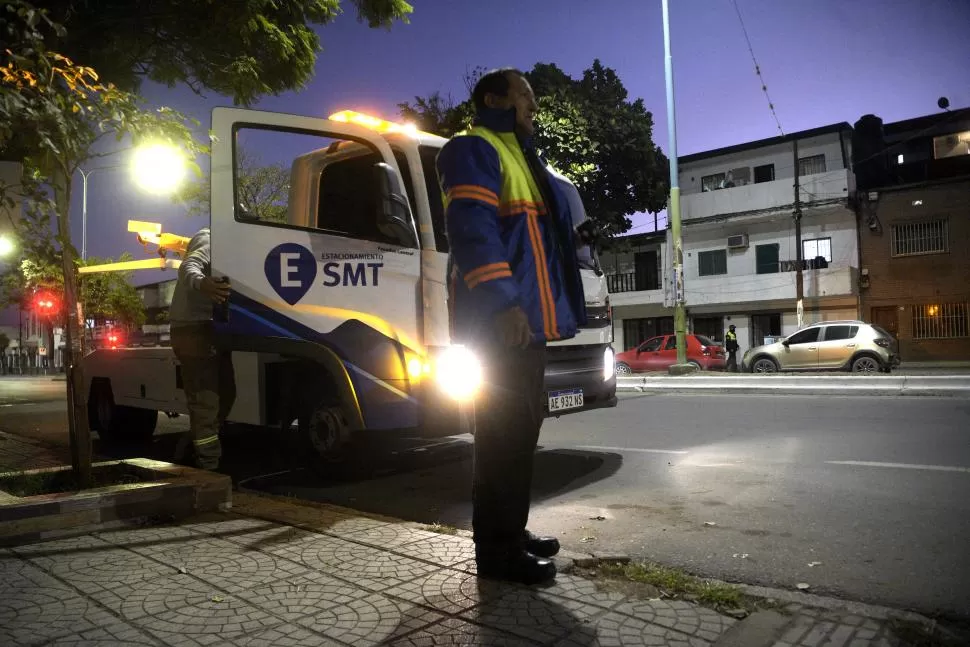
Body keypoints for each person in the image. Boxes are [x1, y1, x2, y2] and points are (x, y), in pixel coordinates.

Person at [436, 68, 591, 585]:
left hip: (528, 328)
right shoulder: (471, 149)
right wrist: (505, 304)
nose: (533, 107)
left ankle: (511, 532)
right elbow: (472, 233)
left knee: (520, 433)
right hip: (501, 325)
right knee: (503, 436)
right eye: (525, 96)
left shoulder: (524, 158)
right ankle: (496, 552)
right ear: (493, 98)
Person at [169, 228, 235, 470]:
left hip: (210, 330)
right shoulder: (211, 238)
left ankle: (191, 448)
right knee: (206, 402)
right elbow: (188, 267)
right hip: (193, 330)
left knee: (226, 395)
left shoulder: (230, 248)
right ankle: (208, 468)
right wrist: (202, 283)